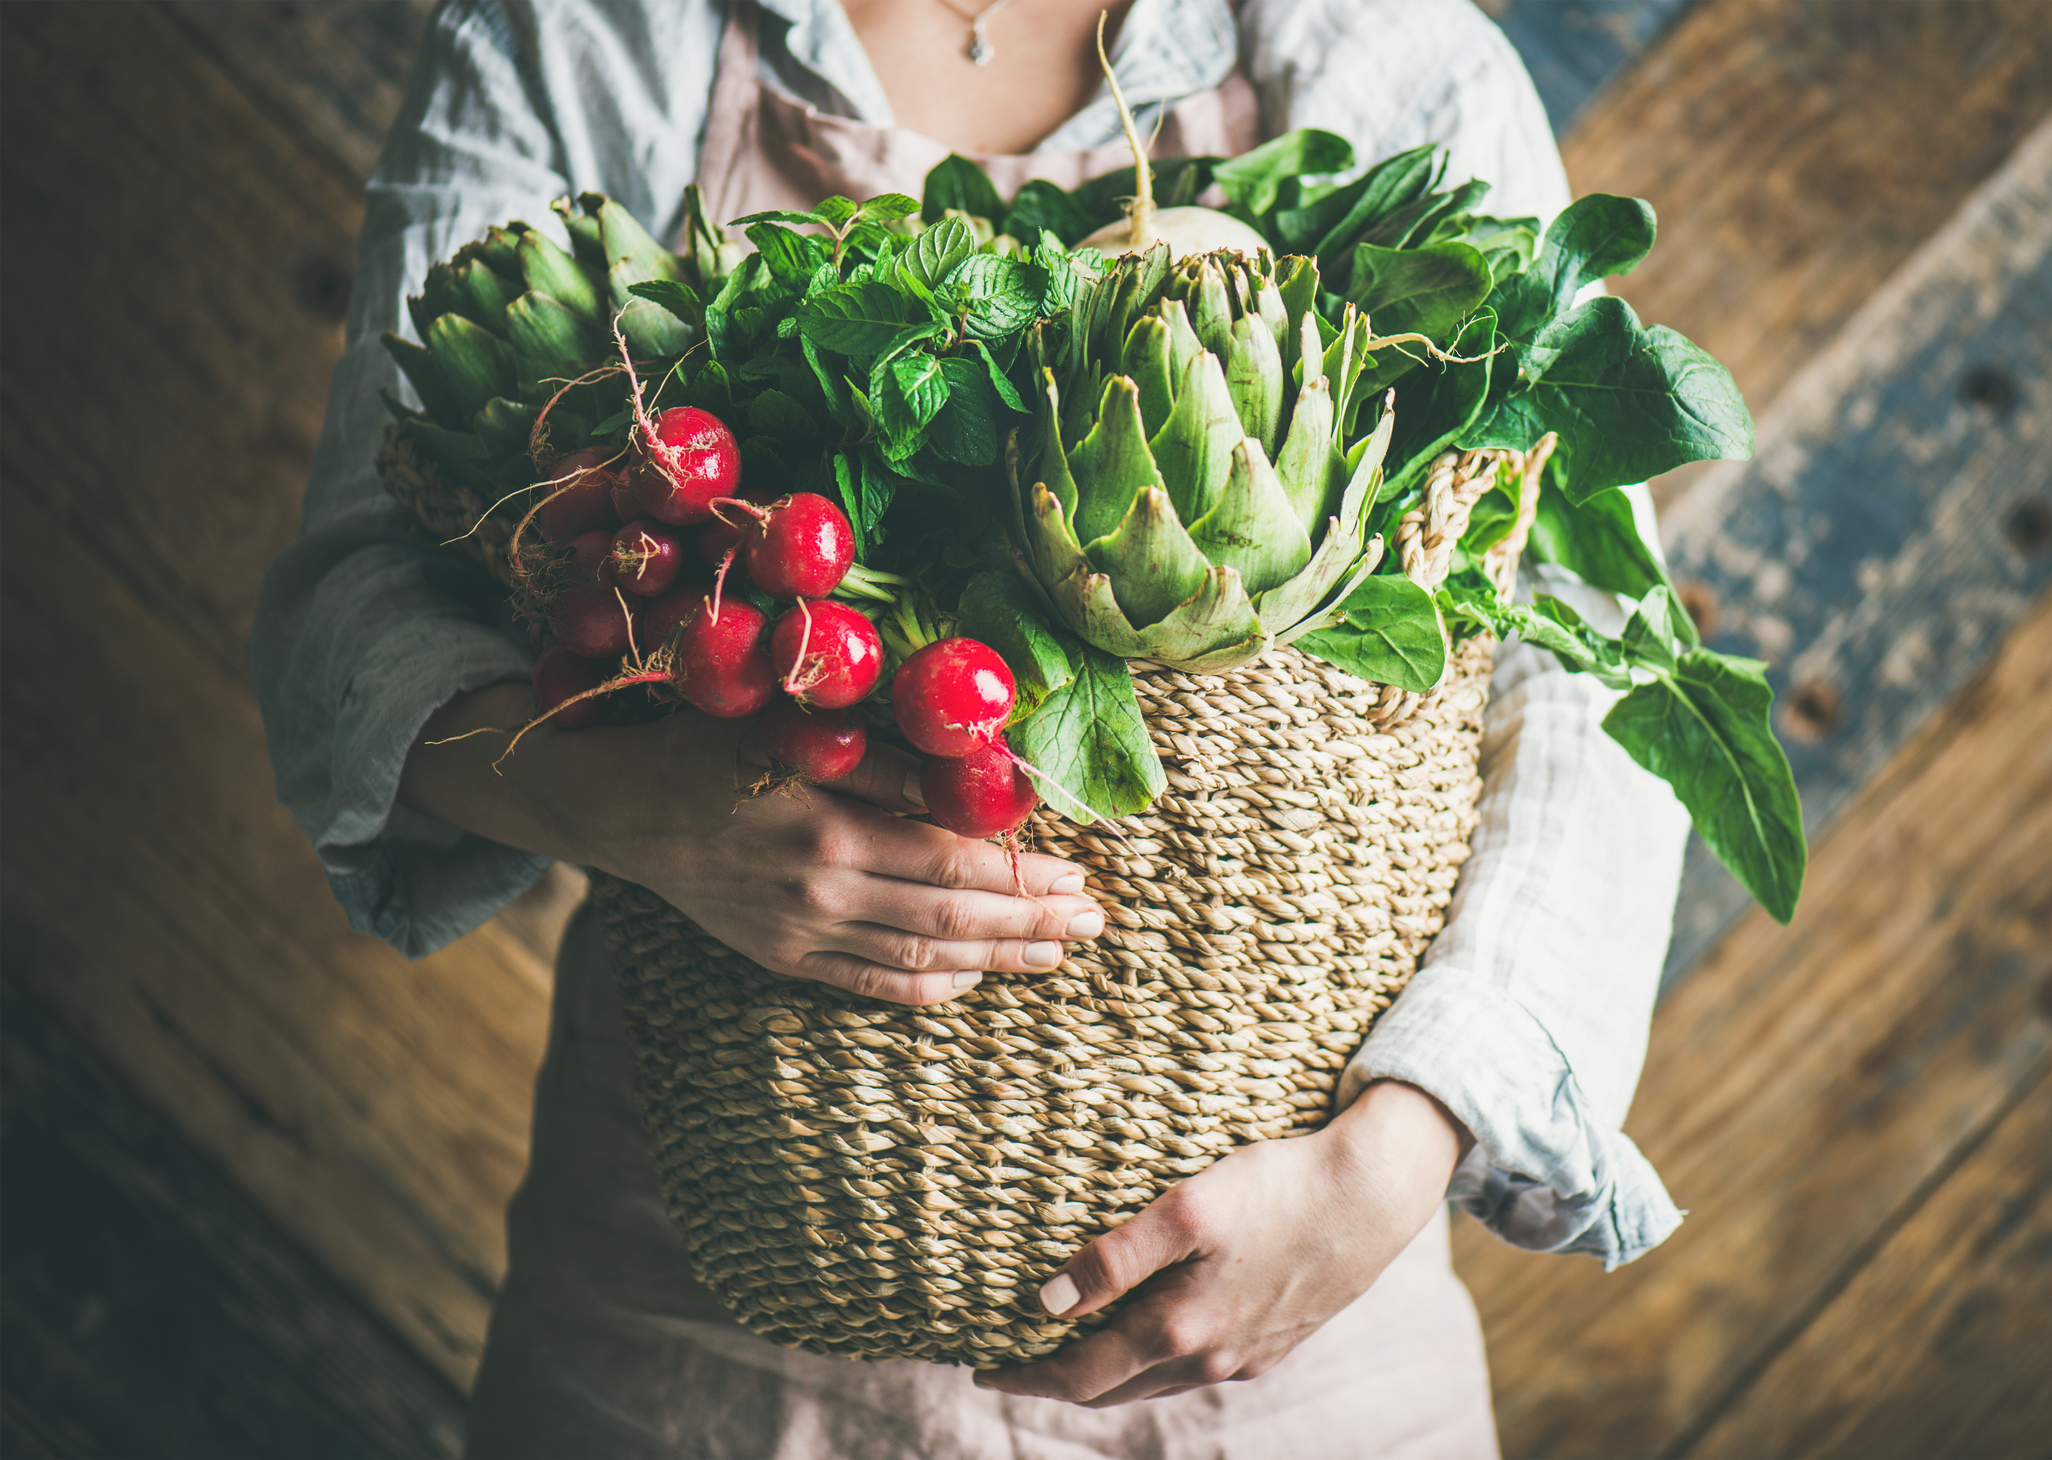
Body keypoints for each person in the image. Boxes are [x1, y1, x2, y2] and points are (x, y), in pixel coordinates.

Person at [254, 1, 1694, 1454]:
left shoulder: (1390, 50)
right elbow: (356, 600)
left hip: (1296, 1333)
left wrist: (1394, 1160)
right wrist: (637, 810)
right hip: (697, 1345)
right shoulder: (580, 32)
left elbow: (1593, 678)